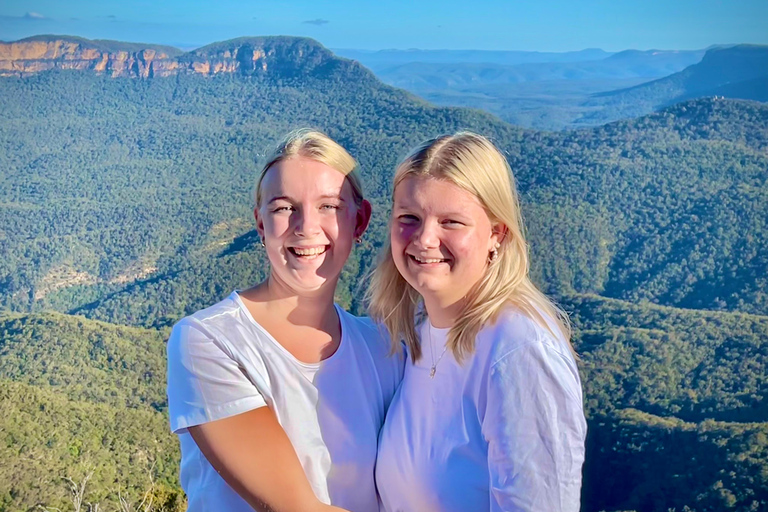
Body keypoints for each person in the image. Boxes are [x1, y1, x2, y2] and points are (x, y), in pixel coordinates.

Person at [166, 129, 403, 512]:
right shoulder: (208, 341)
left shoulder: (385, 350)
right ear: (260, 224)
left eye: (328, 206)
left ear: (360, 222)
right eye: (283, 208)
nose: (306, 226)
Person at [369, 132, 587, 511]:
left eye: (451, 222)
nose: (424, 239)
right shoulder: (419, 331)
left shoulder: (518, 351)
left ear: (496, 234)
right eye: (409, 218)